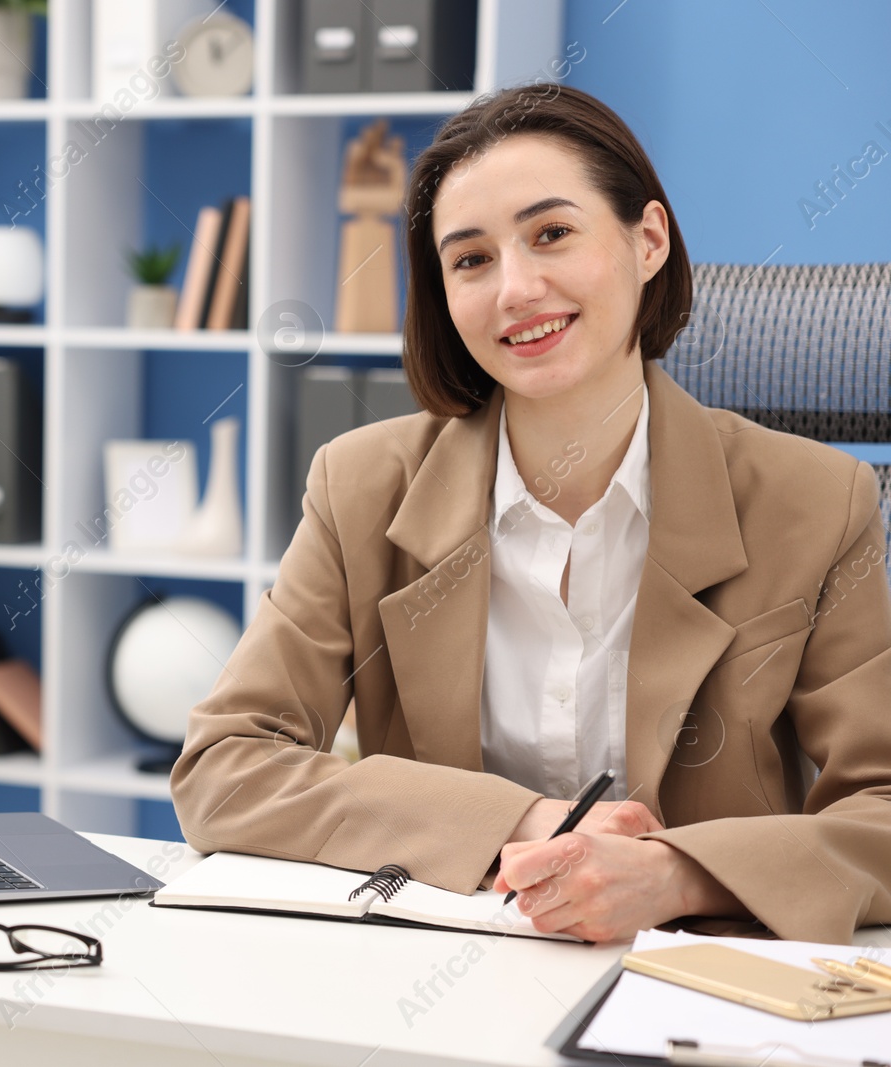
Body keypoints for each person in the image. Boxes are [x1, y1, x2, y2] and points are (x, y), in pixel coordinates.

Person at [169, 84, 891, 945]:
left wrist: (677, 875)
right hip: (442, 971)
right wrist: (521, 822)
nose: (516, 288)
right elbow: (224, 768)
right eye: (470, 259)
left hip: (697, 978)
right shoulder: (360, 486)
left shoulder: (818, 497)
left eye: (552, 233)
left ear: (648, 240)